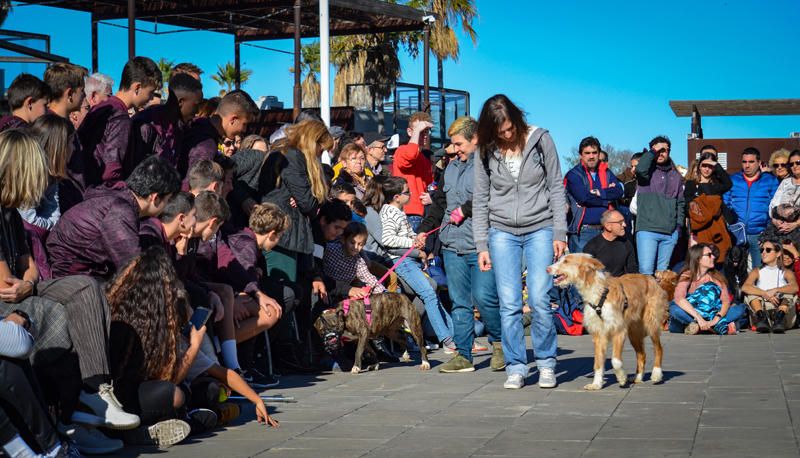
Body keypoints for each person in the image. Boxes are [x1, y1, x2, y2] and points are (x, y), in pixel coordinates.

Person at [473, 94, 566, 390]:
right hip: (501, 232)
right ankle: (516, 366)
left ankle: (547, 363)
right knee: (510, 304)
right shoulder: (485, 151)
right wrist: (482, 245)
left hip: (540, 227)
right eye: (500, 132)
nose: (507, 136)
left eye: (510, 129)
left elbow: (555, 187)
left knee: (539, 299)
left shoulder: (541, 140)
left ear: (517, 120)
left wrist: (560, 234)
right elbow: (480, 198)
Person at [416, 116, 503, 374]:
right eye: (453, 145)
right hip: (452, 244)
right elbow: (439, 204)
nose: (455, 149)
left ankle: (499, 343)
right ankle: (464, 355)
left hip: (481, 245)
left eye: (459, 144)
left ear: (475, 139)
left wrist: (465, 210)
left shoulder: (489, 164)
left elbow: (492, 196)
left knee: (485, 298)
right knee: (459, 301)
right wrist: (423, 230)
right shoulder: (450, 169)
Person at [47, 155, 181, 280]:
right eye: (168, 200)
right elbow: (132, 267)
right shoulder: (120, 212)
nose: (167, 206)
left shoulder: (118, 196)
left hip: (82, 272)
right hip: (71, 276)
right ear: (155, 198)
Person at [380, 177, 454, 350]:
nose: (411, 194)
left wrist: (417, 239)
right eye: (407, 192)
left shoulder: (398, 211)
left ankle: (454, 333)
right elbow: (388, 239)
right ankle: (446, 339)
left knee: (432, 288)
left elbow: (404, 235)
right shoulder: (390, 212)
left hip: (409, 259)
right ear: (397, 197)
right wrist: (413, 244)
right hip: (401, 261)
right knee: (428, 293)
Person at [257, 120, 331, 287]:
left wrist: (305, 197)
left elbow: (305, 200)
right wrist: (311, 196)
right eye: (322, 148)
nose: (321, 154)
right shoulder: (292, 155)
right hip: (283, 233)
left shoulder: (286, 152)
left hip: (289, 232)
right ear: (313, 141)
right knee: (286, 291)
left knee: (294, 291)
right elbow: (308, 204)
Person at [78, 56, 162, 187]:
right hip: (104, 195)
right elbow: (111, 171)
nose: (151, 98)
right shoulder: (120, 117)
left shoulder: (101, 108)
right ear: (137, 87)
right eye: (150, 92)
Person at [18, 114, 74, 280]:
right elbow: (28, 219)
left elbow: (52, 212)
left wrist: (49, 224)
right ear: (58, 147)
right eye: (71, 143)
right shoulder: (28, 175)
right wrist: (49, 225)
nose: (75, 148)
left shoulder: (51, 177)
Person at [130, 72, 204, 171]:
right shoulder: (146, 124)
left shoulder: (181, 127)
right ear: (180, 102)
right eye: (196, 105)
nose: (198, 111)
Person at [634, 136, 685, 275]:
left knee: (663, 275)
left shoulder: (676, 176)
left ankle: (660, 298)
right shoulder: (646, 172)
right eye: (658, 150)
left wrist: (678, 227)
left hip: (669, 233)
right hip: (647, 230)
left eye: (665, 150)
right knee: (646, 272)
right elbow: (639, 169)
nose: (661, 153)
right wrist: (652, 153)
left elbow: (681, 203)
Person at [668, 244, 745, 335]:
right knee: (675, 309)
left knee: (740, 309)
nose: (713, 257)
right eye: (709, 255)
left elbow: (725, 301)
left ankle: (704, 327)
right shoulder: (687, 275)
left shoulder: (717, 277)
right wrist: (699, 319)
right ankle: (715, 327)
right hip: (692, 314)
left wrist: (715, 319)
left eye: (712, 254)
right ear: (698, 259)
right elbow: (679, 298)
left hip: (711, 315)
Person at [180, 90, 259, 177]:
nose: (244, 130)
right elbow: (194, 184)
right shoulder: (206, 145)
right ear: (233, 119)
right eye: (245, 124)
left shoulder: (197, 127)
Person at [565, 136, 623, 253]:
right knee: (581, 270)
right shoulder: (574, 175)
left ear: (599, 153)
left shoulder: (607, 172)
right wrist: (607, 199)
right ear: (581, 155)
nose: (591, 156)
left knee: (605, 270)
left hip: (606, 231)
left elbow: (619, 191)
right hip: (584, 232)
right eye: (587, 153)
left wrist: (599, 193)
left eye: (594, 152)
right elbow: (584, 198)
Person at [724, 147, 779, 268]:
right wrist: (730, 225)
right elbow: (725, 203)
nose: (747, 165)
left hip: (759, 234)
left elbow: (775, 207)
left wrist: (767, 231)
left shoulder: (770, 181)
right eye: (744, 162)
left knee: (758, 271)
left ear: (759, 163)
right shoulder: (733, 180)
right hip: (736, 234)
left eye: (751, 162)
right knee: (736, 270)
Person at [684, 150, 733, 262]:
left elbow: (728, 184)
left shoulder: (716, 184)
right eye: (704, 165)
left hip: (717, 228)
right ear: (699, 166)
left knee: (719, 258)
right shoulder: (691, 184)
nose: (707, 169)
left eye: (710, 166)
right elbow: (690, 205)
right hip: (699, 228)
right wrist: (706, 210)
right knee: (699, 260)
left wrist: (717, 166)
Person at [741, 239, 798, 333]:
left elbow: (794, 287)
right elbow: (745, 287)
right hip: (763, 314)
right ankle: (761, 317)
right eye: (761, 250)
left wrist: (775, 290)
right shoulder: (756, 271)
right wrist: (765, 293)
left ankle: (779, 318)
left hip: (783, 316)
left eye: (768, 250)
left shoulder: (786, 272)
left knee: (789, 293)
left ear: (778, 253)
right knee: (750, 293)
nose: (763, 253)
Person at [323, 222, 386, 304]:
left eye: (360, 244)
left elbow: (370, 279)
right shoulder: (329, 250)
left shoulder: (359, 262)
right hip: (326, 290)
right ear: (343, 239)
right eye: (352, 243)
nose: (356, 247)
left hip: (343, 295)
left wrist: (384, 294)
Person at [392, 112, 434, 230]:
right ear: (410, 132)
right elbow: (410, 155)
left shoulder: (424, 160)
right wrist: (417, 131)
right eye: (420, 131)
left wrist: (431, 197)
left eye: (426, 131)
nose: (424, 135)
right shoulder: (401, 150)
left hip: (421, 212)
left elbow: (429, 184)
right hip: (406, 212)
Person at [584, 209, 638, 277]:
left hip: (622, 284)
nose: (624, 225)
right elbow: (587, 274)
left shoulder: (626, 243)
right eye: (620, 222)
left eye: (624, 221)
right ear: (608, 226)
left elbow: (633, 270)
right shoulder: (592, 247)